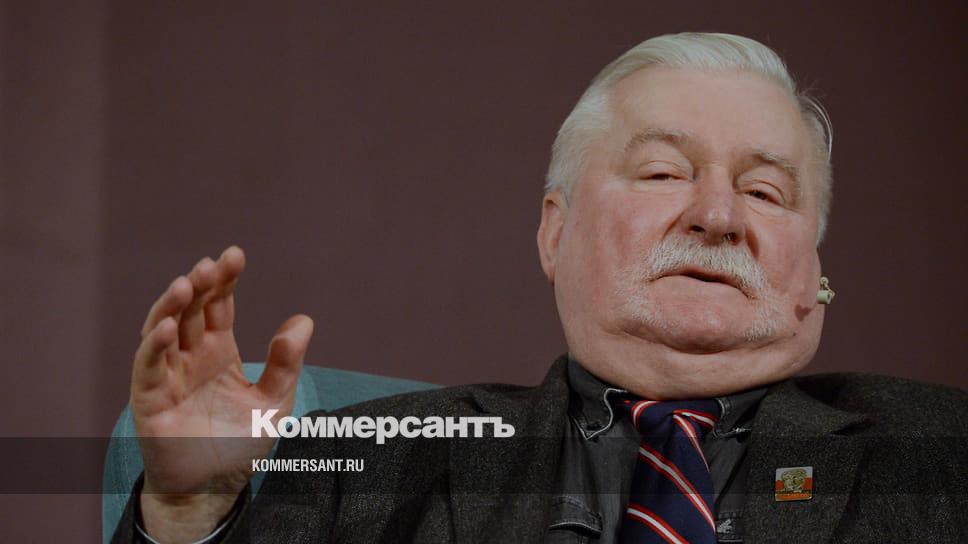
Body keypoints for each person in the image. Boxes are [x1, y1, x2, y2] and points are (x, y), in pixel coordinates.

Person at [112, 33, 968, 543]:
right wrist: (191, 514)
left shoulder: (942, 453)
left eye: (767, 192)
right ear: (555, 232)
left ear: (811, 270)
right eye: (663, 172)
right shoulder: (370, 462)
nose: (717, 214)